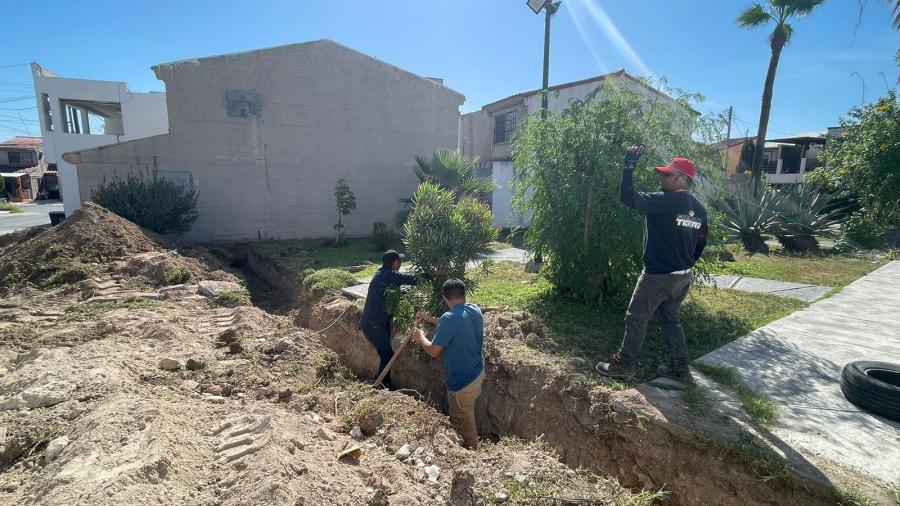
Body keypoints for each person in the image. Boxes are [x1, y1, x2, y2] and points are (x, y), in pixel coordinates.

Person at [595, 145, 708, 382]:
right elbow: (701, 241)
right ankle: (680, 368)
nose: (662, 178)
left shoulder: (666, 201)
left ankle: (624, 364)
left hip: (659, 276)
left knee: (636, 315)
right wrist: (687, 263)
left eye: (667, 175)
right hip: (682, 277)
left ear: (682, 179)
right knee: (670, 318)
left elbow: (627, 197)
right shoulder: (699, 208)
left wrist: (629, 165)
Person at [412, 279, 485, 449]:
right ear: (464, 294)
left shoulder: (449, 318)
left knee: (463, 422)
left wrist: (420, 336)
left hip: (463, 383)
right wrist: (428, 318)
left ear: (445, 298)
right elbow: (454, 322)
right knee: (468, 414)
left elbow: (433, 351)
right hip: (478, 372)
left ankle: (472, 455)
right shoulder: (474, 309)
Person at [359, 250, 426, 388]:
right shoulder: (388, 275)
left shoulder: (381, 274)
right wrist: (433, 275)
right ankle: (381, 384)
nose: (400, 264)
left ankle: (382, 380)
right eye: (399, 261)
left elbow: (396, 293)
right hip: (374, 325)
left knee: (385, 353)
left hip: (375, 323)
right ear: (395, 262)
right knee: (387, 353)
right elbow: (412, 279)